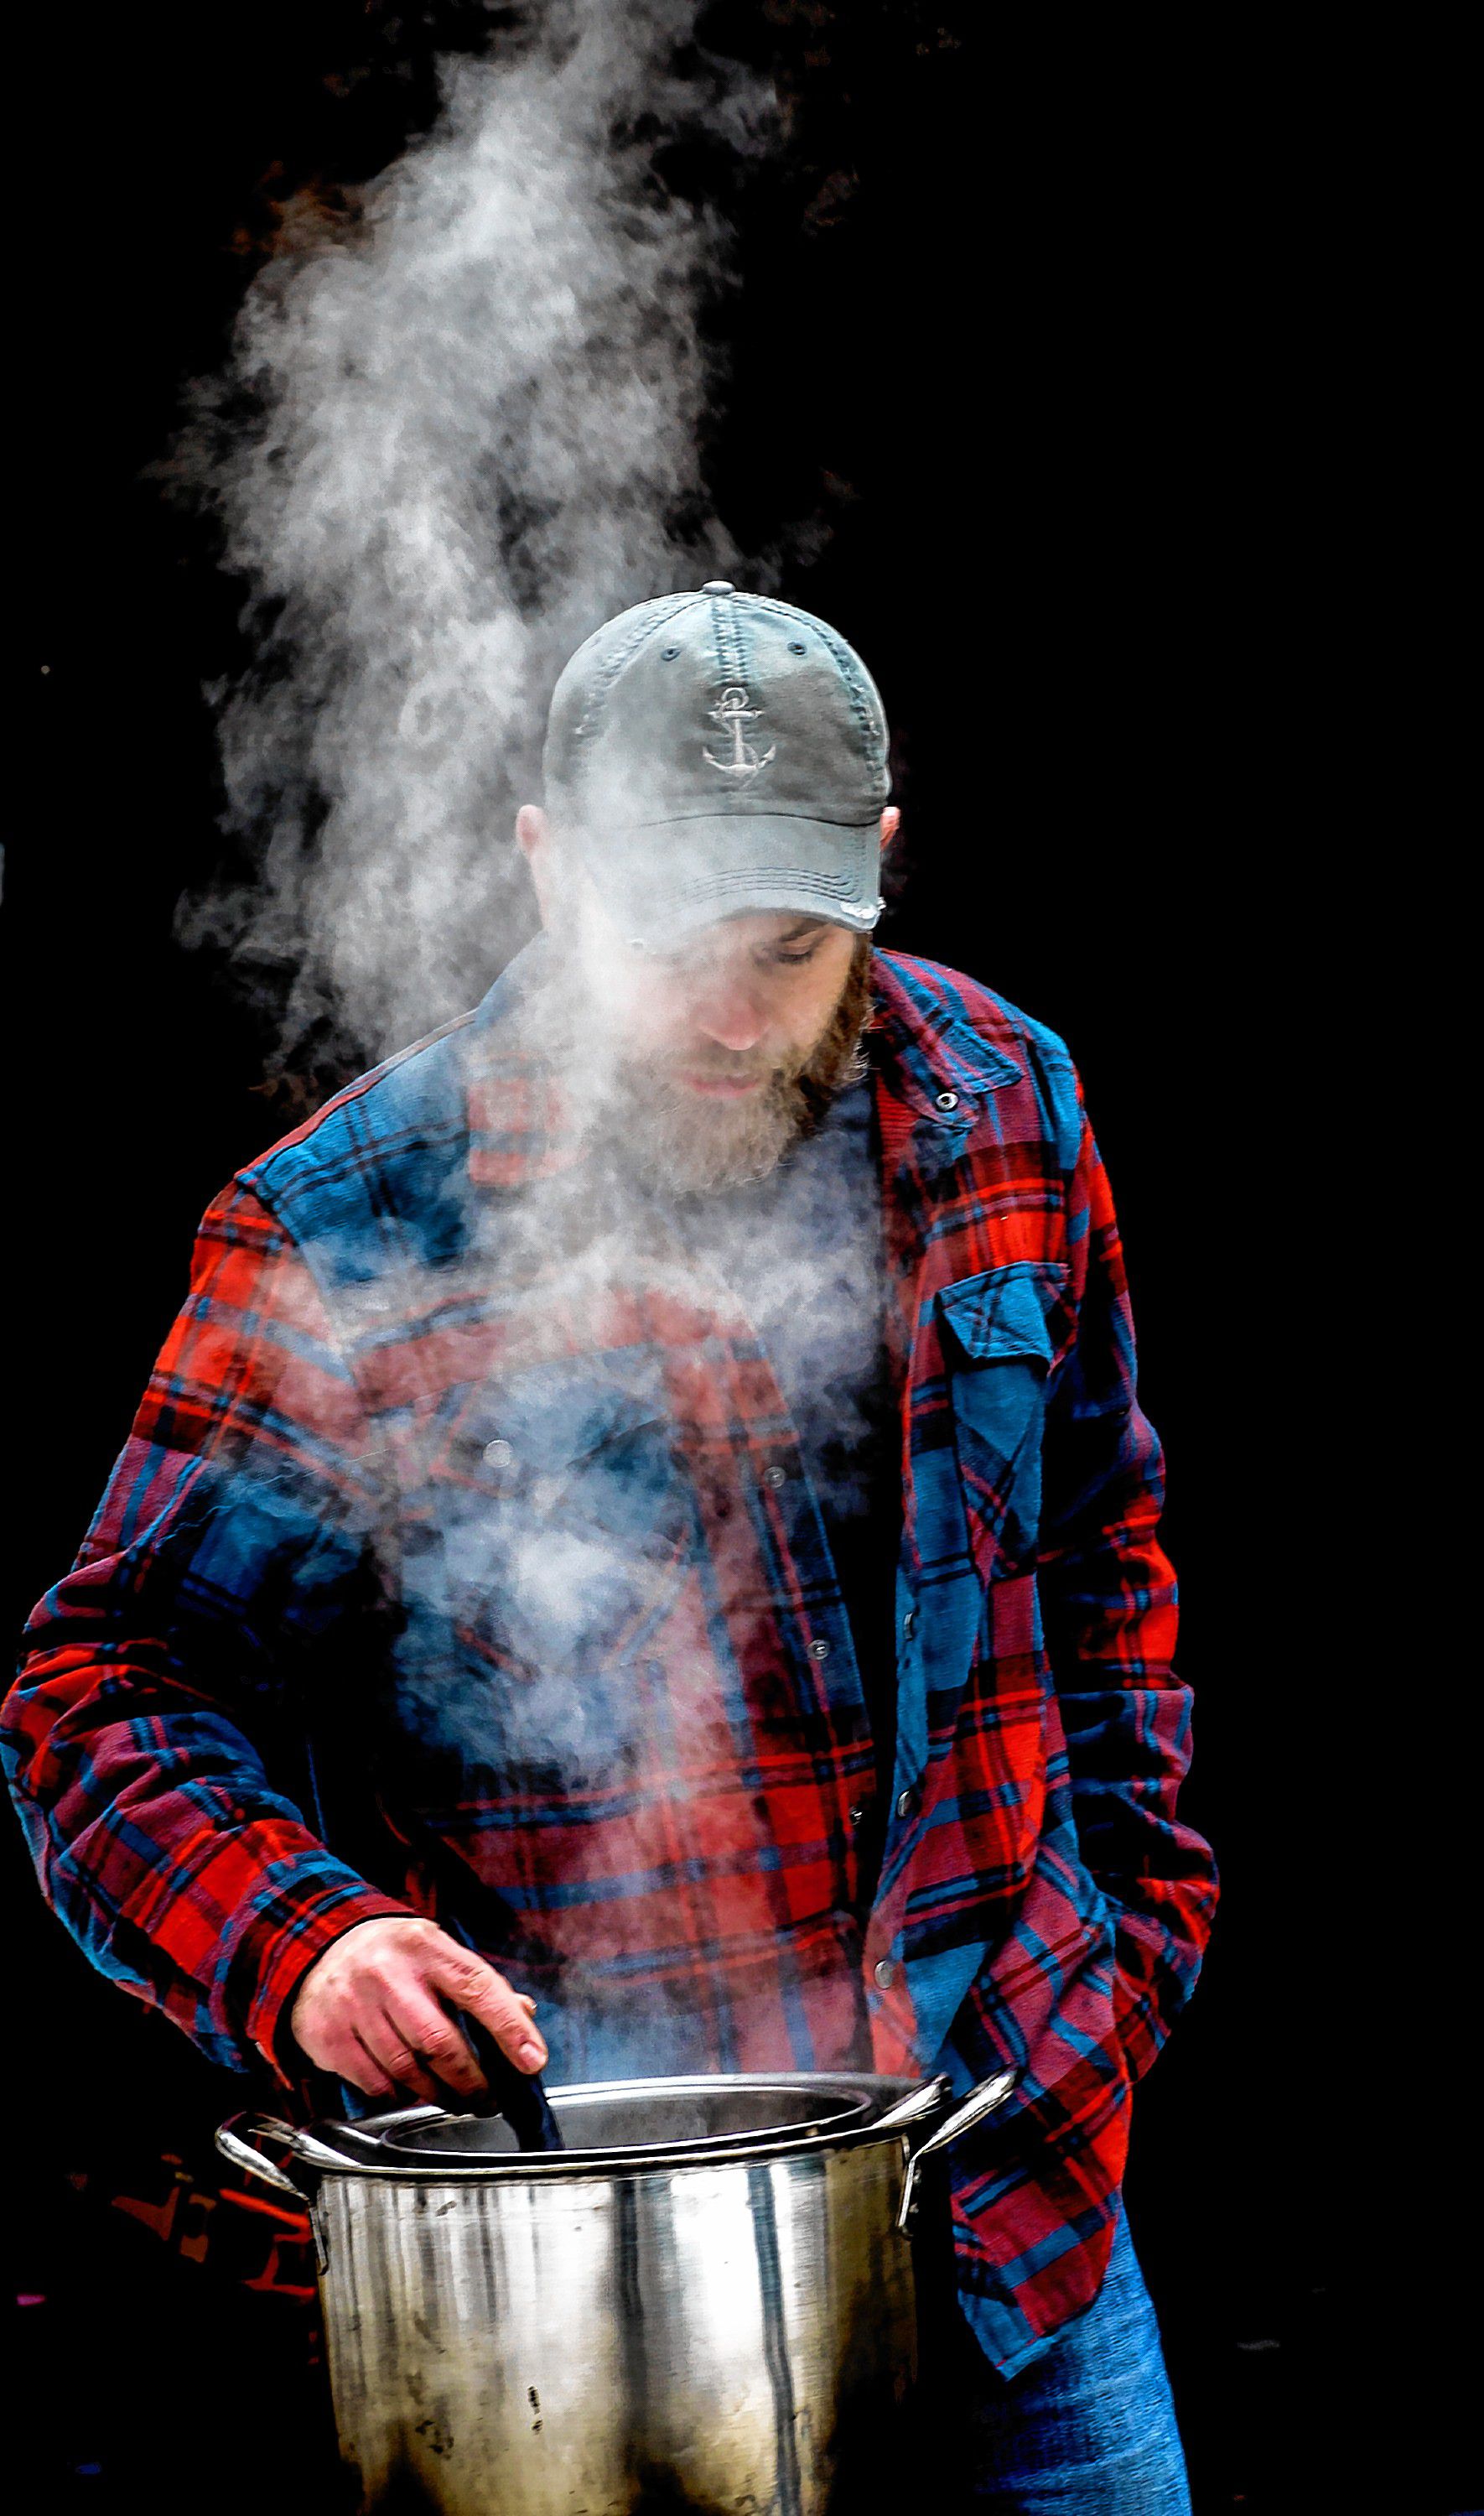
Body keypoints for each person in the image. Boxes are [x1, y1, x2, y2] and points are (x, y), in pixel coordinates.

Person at [4, 584, 1217, 2508]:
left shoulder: (1008, 1107)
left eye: (792, 947)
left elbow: (1100, 1545)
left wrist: (1137, 1936)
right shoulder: (344, 1230)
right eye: (669, 945)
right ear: (550, 869)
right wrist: (308, 1949)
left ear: (880, 872)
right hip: (590, 2278)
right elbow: (105, 1699)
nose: (733, 1018)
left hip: (1015, 2187)